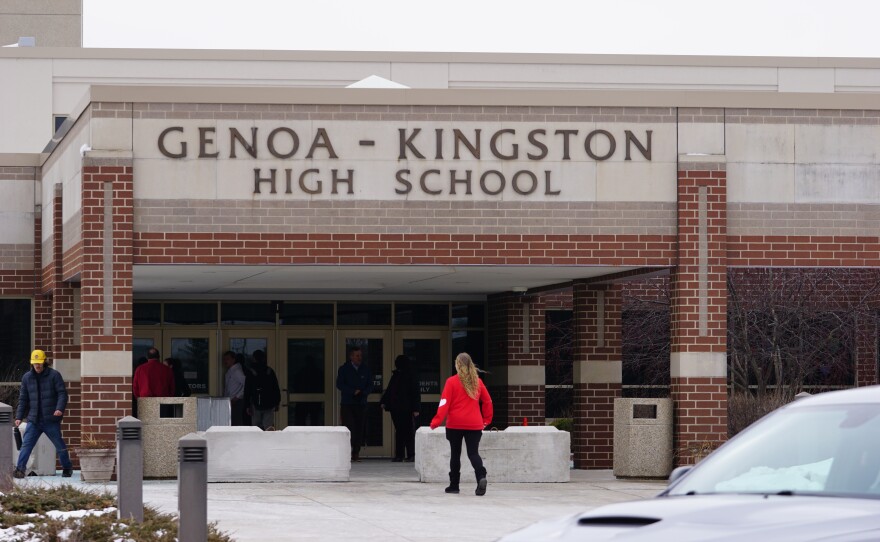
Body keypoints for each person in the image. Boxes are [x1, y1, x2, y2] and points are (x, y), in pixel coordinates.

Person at [430, 352, 493, 496]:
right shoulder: (478, 382)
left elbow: (444, 403)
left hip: (455, 424)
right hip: (474, 424)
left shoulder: (451, 382)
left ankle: (454, 486)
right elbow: (488, 401)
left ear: (457, 365)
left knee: (455, 454)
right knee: (473, 453)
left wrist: (436, 422)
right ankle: (481, 476)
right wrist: (486, 420)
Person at [14, 349, 74, 478]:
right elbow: (23, 399)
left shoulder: (54, 375)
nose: (37, 366)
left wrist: (59, 409)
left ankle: (67, 467)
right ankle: (20, 470)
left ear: (44, 362)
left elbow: (62, 394)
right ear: (32, 363)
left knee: (59, 445)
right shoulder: (27, 378)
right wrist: (19, 416)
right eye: (35, 363)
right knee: (26, 446)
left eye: (40, 363)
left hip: (51, 419)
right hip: (34, 420)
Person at [380, 354, 421, 462]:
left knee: (405, 432)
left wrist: (416, 408)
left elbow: (415, 393)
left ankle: (407, 455)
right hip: (400, 408)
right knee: (402, 431)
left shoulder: (406, 375)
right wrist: (384, 401)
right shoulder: (400, 374)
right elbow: (390, 390)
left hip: (404, 408)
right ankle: (402, 455)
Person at [336, 346, 372, 462]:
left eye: (360, 355)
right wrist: (352, 391)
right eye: (357, 355)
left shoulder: (365, 369)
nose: (359, 358)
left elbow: (370, 385)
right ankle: (346, 452)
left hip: (361, 403)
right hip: (348, 403)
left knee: (360, 428)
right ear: (351, 357)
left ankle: (356, 453)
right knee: (349, 428)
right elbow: (339, 384)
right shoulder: (344, 369)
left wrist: (363, 392)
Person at [245, 349, 281, 430]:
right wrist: (277, 402)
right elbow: (275, 388)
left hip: (255, 402)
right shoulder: (269, 371)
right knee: (268, 425)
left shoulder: (251, 372)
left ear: (254, 358)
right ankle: (269, 440)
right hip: (269, 402)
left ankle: (257, 441)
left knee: (256, 427)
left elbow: (247, 390)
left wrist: (247, 405)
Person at [223, 350, 247, 426]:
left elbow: (246, 384)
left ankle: (239, 437)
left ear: (233, 360)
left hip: (236, 401)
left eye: (227, 359)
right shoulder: (230, 371)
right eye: (224, 359)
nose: (225, 361)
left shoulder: (237, 371)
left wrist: (237, 397)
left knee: (236, 422)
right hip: (230, 401)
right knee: (231, 421)